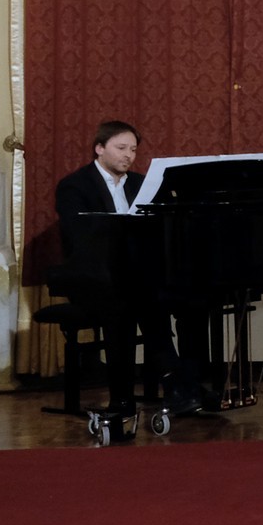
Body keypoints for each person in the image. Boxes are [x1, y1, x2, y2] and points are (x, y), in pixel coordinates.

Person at [53, 120, 176, 419]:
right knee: (130, 303)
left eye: (133, 149)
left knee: (153, 300)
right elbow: (80, 237)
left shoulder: (142, 184)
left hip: (134, 277)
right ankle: (130, 396)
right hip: (94, 275)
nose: (128, 155)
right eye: (121, 148)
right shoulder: (75, 186)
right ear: (99, 148)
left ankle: (176, 386)